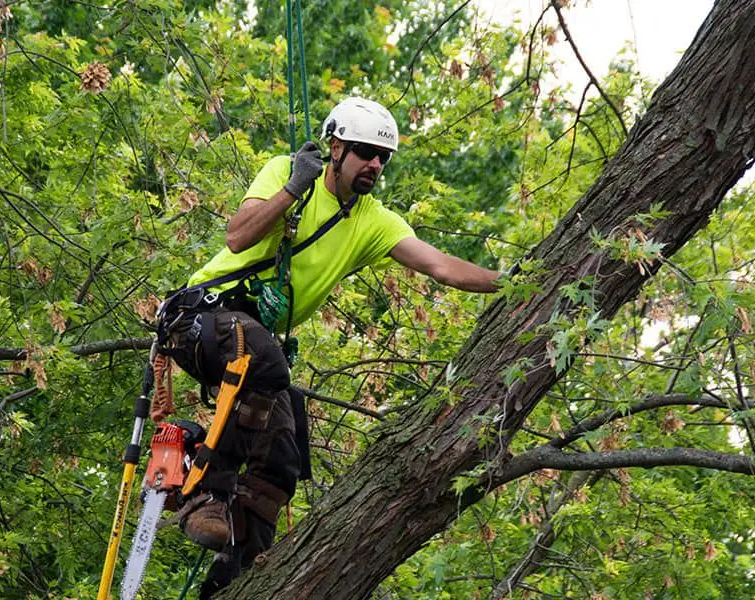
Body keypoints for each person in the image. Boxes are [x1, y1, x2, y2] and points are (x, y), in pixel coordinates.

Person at [154, 97, 500, 598]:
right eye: (364, 151)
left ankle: (236, 574)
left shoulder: (373, 220)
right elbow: (237, 237)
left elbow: (440, 266)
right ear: (335, 148)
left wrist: (513, 282)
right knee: (264, 357)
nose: (375, 164)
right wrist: (294, 186)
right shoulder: (285, 175)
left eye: (384, 157)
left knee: (284, 447)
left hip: (252, 350)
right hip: (200, 320)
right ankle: (208, 490)